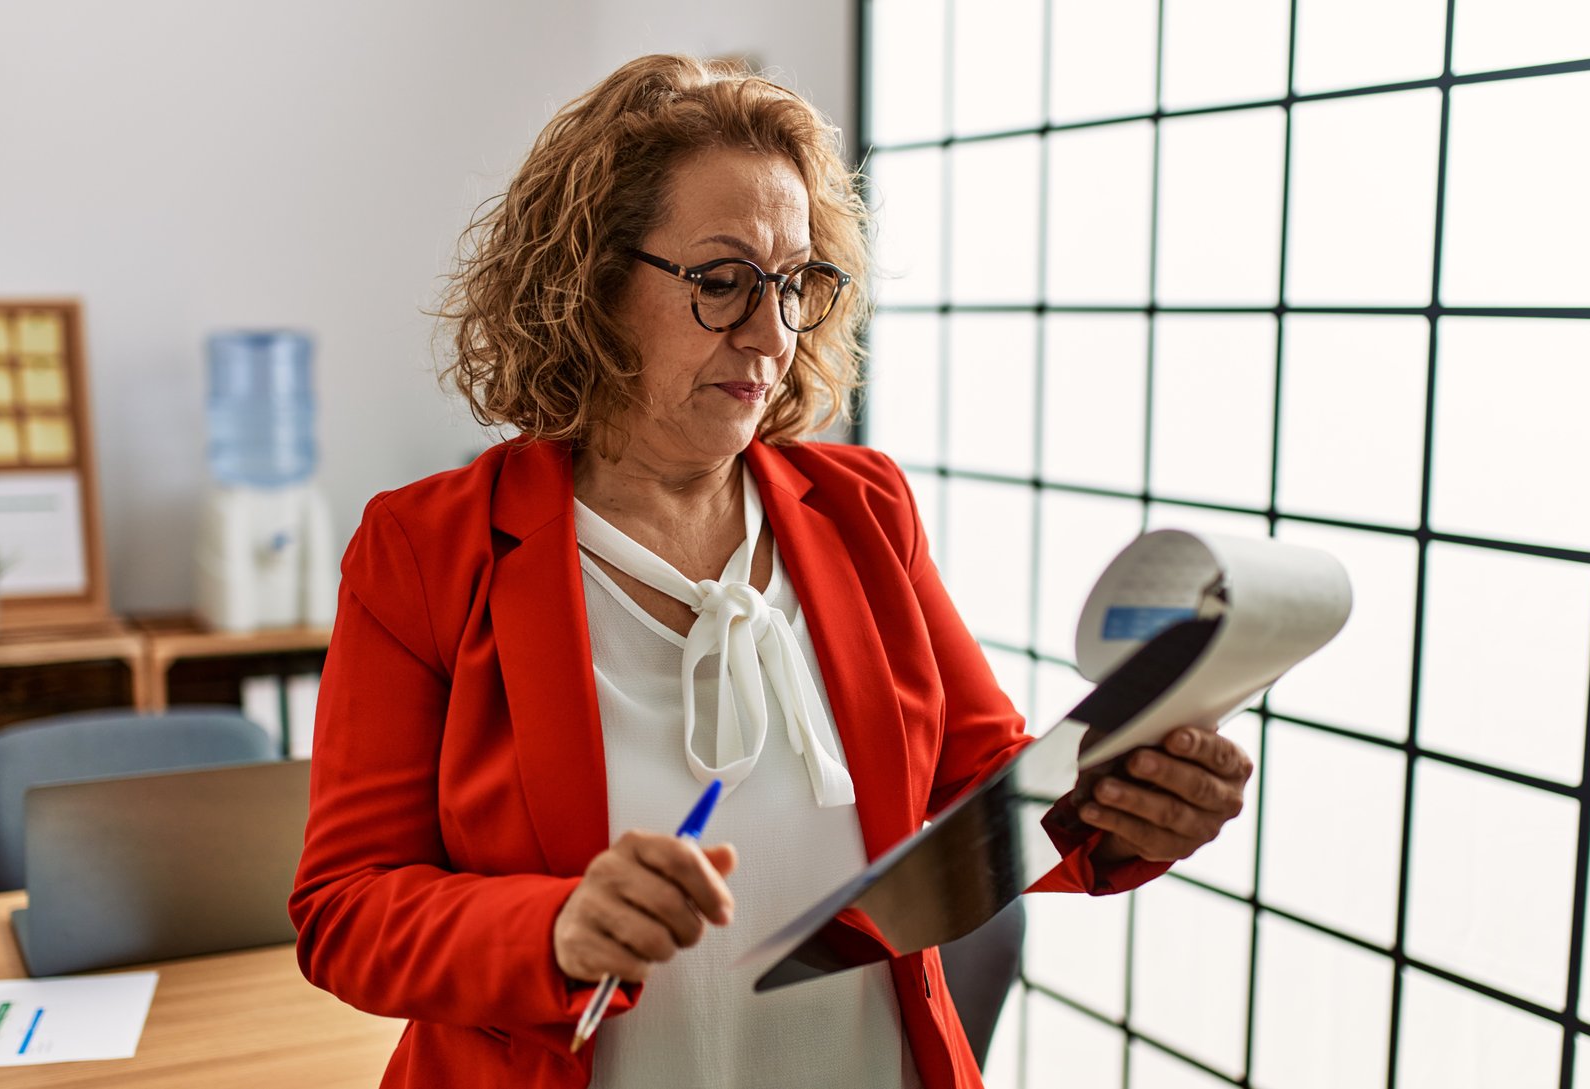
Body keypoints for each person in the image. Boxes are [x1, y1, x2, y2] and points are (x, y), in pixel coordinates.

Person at [289, 54, 1254, 1089]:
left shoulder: (861, 511)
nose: (773, 333)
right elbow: (345, 906)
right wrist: (556, 926)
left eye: (797, 283)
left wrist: (1122, 807)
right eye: (722, 282)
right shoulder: (428, 550)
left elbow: (992, 792)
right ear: (590, 283)